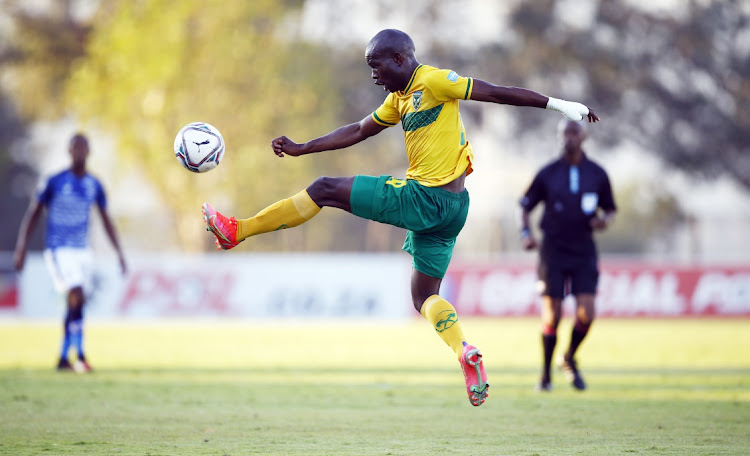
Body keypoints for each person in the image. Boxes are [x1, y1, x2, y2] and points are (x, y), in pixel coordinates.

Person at [202, 29, 599, 406]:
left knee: (324, 189)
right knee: (424, 296)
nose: (374, 76)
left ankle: (239, 231)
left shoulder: (435, 81)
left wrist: (558, 104)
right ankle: (465, 350)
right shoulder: (400, 98)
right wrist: (304, 147)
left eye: (377, 66)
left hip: (423, 200)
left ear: (399, 58)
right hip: (452, 211)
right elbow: (358, 130)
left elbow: (495, 93)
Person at [14, 133, 127, 373]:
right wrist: (22, 247)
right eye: (75, 148)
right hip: (58, 248)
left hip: (82, 250)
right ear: (69, 151)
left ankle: (64, 357)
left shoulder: (94, 184)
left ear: (89, 152)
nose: (79, 152)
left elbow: (106, 220)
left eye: (83, 148)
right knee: (75, 293)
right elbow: (33, 214)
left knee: (77, 303)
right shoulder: (54, 181)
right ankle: (81, 355)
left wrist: (119, 253)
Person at [519, 119, 616, 392]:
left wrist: (605, 220)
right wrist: (525, 234)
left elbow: (610, 208)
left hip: (584, 249)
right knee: (553, 315)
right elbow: (524, 205)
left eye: (574, 133)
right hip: (553, 250)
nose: (568, 138)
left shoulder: (596, 173)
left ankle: (569, 357)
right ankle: (545, 376)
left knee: (587, 313)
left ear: (583, 136)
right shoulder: (548, 173)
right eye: (564, 133)